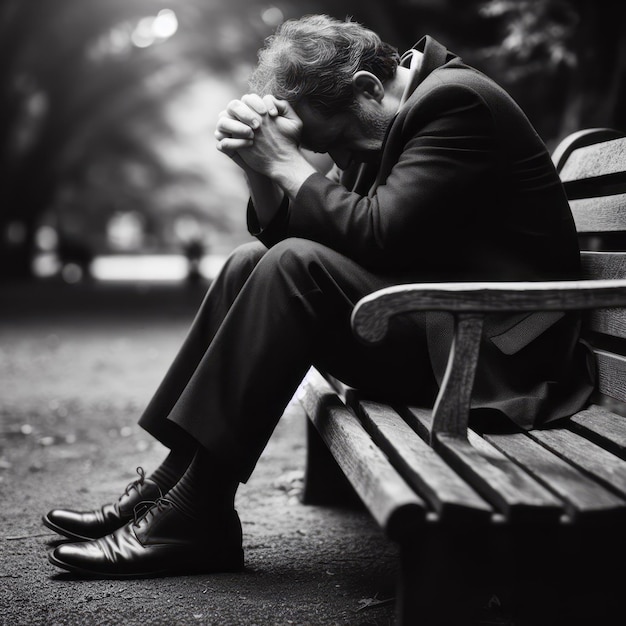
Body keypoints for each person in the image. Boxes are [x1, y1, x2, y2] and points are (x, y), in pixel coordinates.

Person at [43, 14, 594, 578]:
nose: (334, 160)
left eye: (328, 143)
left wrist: (286, 163)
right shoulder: (380, 117)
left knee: (291, 268)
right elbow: (319, 238)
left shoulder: (456, 102)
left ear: (367, 88)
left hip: (497, 355)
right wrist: (258, 169)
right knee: (249, 262)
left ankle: (194, 516)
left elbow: (378, 235)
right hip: (439, 323)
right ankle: (170, 487)